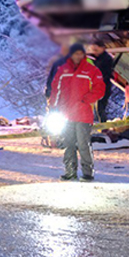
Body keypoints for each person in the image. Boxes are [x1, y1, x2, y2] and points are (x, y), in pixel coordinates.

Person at [49, 43, 106, 181]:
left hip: (83, 115)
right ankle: (70, 172)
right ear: (71, 54)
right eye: (76, 53)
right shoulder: (62, 70)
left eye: (81, 53)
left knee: (83, 145)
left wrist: (86, 100)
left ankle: (88, 173)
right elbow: (55, 89)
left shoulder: (92, 70)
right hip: (66, 114)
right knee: (68, 144)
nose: (78, 56)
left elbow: (100, 89)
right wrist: (53, 107)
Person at [88, 40, 114, 123]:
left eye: (96, 50)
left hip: (103, 86)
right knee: (97, 108)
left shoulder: (106, 59)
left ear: (102, 48)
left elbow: (103, 74)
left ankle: (103, 125)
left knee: (100, 107)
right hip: (99, 86)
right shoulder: (98, 58)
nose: (94, 52)